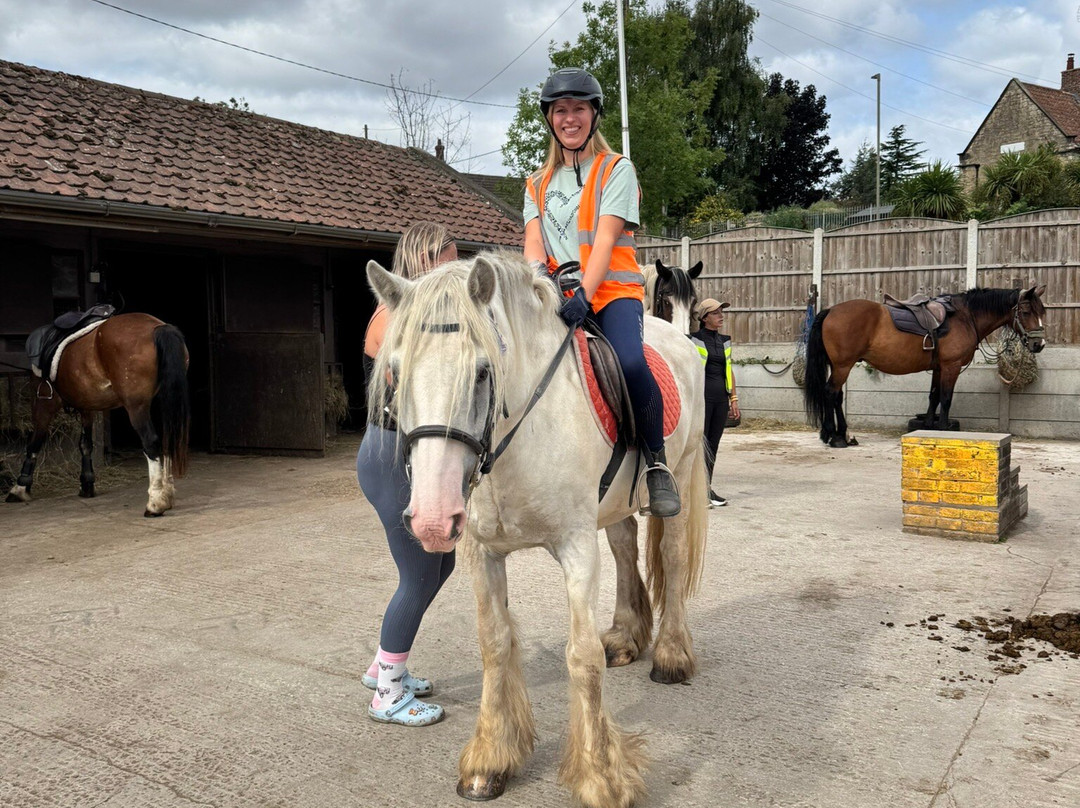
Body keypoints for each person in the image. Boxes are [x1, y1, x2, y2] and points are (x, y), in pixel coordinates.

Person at [523, 67, 680, 517]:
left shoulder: (617, 169)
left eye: (578, 109)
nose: (569, 118)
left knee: (630, 360)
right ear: (550, 118)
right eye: (560, 111)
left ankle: (656, 464)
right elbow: (534, 243)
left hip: (610, 290)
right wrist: (539, 286)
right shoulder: (535, 184)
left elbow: (607, 241)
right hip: (556, 292)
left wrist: (584, 297)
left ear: (594, 115)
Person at [357, 221, 458, 726]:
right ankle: (389, 695)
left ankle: (383, 666)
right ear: (424, 260)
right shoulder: (393, 315)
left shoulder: (424, 313)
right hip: (389, 456)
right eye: (449, 262)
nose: (455, 272)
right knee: (418, 575)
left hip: (401, 455)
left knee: (444, 565)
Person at [690, 298, 740, 507]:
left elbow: (728, 370)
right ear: (704, 318)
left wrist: (734, 399)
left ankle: (706, 489)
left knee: (713, 445)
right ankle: (693, 492)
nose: (721, 316)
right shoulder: (692, 340)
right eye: (716, 313)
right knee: (698, 447)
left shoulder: (725, 341)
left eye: (721, 312)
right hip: (701, 400)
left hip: (721, 400)